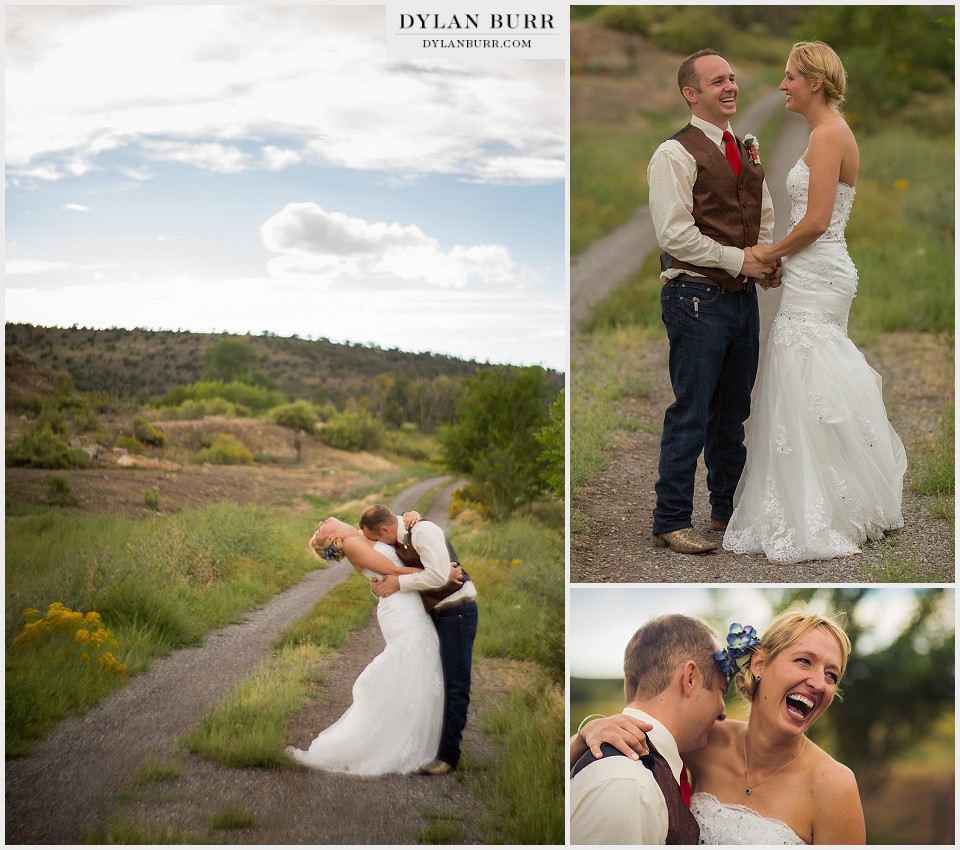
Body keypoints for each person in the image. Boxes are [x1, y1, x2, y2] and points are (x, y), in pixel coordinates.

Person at [723, 41, 906, 564]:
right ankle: (824, 491)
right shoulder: (824, 134)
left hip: (820, 269)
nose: (782, 86)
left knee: (806, 370)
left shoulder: (829, 136)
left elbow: (819, 220)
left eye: (789, 78)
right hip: (813, 268)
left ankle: (824, 504)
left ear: (815, 83)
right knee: (801, 375)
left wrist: (766, 253)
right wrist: (784, 258)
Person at [574, 609, 866, 844]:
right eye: (804, 661)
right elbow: (649, 728)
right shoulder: (705, 741)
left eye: (832, 675)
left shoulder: (834, 785)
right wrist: (587, 733)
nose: (819, 683)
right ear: (760, 663)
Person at [648, 48, 781, 556]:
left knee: (733, 412)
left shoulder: (743, 148)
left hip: (742, 300)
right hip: (695, 298)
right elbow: (675, 235)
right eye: (716, 81)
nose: (730, 87)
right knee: (693, 409)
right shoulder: (674, 154)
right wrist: (738, 260)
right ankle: (671, 519)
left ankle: (727, 512)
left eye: (732, 78)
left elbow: (762, 209)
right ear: (691, 93)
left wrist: (764, 258)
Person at [286, 516, 453, 775]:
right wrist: (442, 572)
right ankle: (387, 740)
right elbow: (393, 572)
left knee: (417, 666)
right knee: (410, 661)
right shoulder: (353, 543)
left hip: (404, 600)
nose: (322, 521)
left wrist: (413, 517)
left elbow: (394, 538)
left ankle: (412, 735)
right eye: (319, 528)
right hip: (401, 608)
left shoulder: (361, 536)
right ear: (331, 539)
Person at [569, 614, 728, 844]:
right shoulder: (628, 788)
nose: (723, 711)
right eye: (721, 691)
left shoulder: (636, 778)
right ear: (690, 678)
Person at [359, 503, 478, 776]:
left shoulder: (423, 531)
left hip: (457, 611)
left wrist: (397, 583)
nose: (377, 544)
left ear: (387, 529)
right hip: (436, 613)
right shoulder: (403, 534)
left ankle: (448, 756)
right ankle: (431, 744)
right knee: (433, 678)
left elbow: (439, 575)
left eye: (377, 538)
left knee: (455, 683)